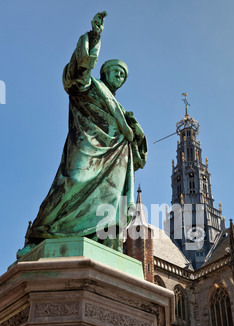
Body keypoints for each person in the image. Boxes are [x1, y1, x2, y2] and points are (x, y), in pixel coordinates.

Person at [17, 12, 147, 258]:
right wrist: (94, 38)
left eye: (123, 75)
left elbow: (138, 155)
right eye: (115, 71)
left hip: (115, 164)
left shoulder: (122, 110)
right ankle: (40, 236)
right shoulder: (92, 87)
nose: (119, 77)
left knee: (109, 204)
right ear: (105, 72)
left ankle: (105, 244)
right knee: (69, 184)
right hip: (87, 149)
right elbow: (75, 78)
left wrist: (135, 131)